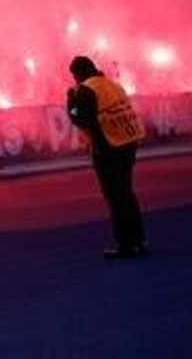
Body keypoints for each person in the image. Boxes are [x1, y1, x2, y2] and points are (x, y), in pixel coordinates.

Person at [66, 56, 147, 257]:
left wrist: (71, 101)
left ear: (77, 74)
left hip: (109, 146)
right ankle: (138, 240)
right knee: (126, 192)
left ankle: (126, 245)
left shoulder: (86, 90)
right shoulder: (113, 84)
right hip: (129, 142)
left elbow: (78, 116)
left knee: (115, 195)